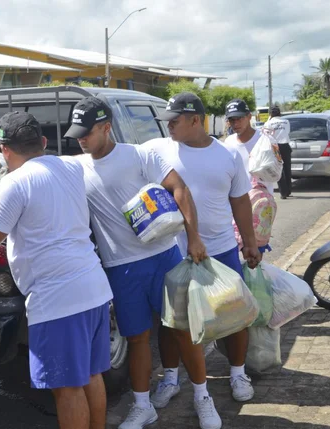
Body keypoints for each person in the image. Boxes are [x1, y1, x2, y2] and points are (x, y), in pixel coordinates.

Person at [0, 111, 114, 429]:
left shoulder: (15, 183)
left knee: (67, 389)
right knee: (90, 375)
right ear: (43, 142)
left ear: (4, 150)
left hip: (58, 301)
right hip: (94, 289)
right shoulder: (71, 166)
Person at [65, 96, 221, 429]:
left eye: (87, 132)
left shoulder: (140, 155)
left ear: (107, 127)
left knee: (182, 332)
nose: (80, 138)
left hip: (163, 258)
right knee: (136, 338)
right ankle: (141, 405)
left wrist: (193, 238)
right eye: (77, 132)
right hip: (120, 268)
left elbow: (179, 189)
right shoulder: (76, 168)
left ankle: (202, 397)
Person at [145, 92, 262, 408]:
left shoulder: (228, 156)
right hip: (173, 252)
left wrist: (249, 243)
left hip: (221, 249)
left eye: (175, 120)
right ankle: (170, 378)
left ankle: (237, 373)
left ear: (195, 120)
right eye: (166, 120)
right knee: (172, 322)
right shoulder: (156, 150)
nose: (168, 126)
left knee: (232, 315)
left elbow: (240, 201)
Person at [223, 99, 276, 254]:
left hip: (258, 204)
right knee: (234, 247)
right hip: (235, 202)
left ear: (249, 116)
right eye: (231, 120)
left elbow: (276, 172)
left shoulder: (265, 140)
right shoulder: (229, 142)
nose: (235, 123)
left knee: (256, 249)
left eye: (239, 118)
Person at [263, 106, 292, 199]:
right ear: (280, 113)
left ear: (270, 114)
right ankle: (288, 190)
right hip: (286, 145)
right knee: (287, 168)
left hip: (275, 147)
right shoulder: (286, 121)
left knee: (279, 169)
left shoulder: (268, 123)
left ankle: (283, 192)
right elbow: (287, 132)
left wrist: (269, 119)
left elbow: (266, 135)